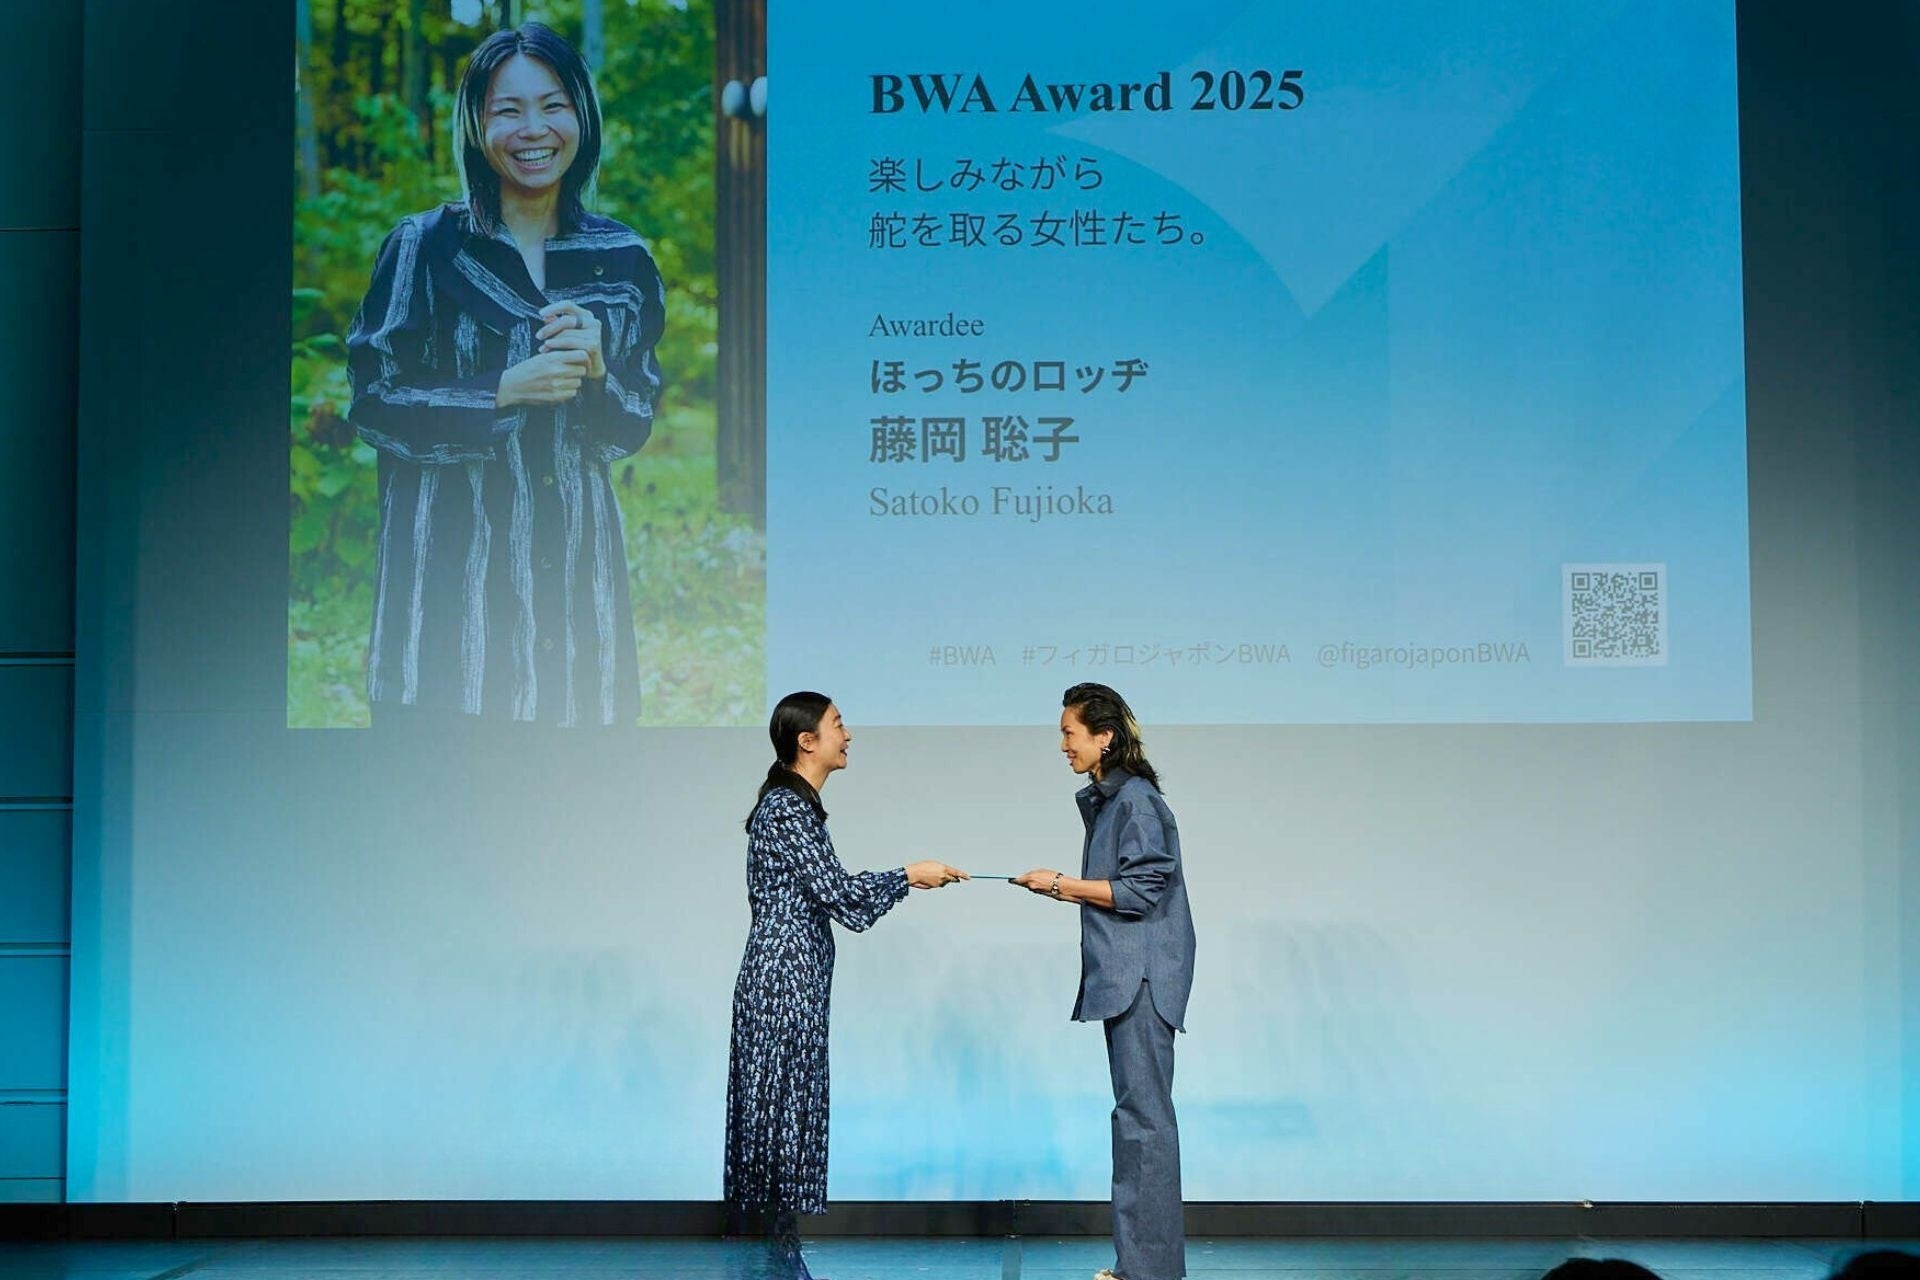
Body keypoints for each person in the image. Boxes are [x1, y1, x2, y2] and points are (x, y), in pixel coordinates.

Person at [345, 22, 665, 726]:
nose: (533, 130)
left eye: (553, 106)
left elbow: (633, 423)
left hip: (578, 629)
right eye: (508, 110)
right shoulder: (424, 246)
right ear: (476, 125)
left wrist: (599, 373)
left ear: (582, 115)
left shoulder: (623, 258)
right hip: (443, 633)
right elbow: (372, 402)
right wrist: (499, 391)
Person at [725, 692, 967, 1279]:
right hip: (782, 984)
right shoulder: (786, 809)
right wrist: (908, 875)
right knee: (781, 1114)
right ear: (806, 741)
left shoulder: (797, 808)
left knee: (788, 1110)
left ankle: (782, 1253)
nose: (848, 734)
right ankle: (777, 1256)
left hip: (796, 981)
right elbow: (842, 896)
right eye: (838, 724)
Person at [1015, 683, 1195, 1280]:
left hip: (1141, 976)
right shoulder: (1114, 801)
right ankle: (1142, 1266)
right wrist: (1061, 888)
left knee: (1144, 1123)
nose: (1063, 745)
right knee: (1137, 1120)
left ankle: (1148, 1272)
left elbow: (1141, 890)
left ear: (1104, 737)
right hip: (1130, 976)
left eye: (1070, 733)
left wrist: (1060, 884)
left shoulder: (1136, 801)